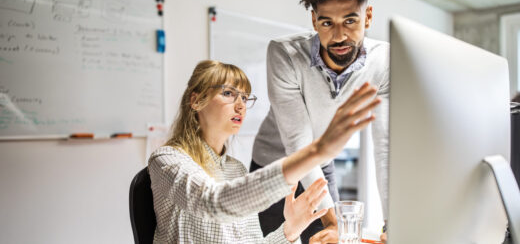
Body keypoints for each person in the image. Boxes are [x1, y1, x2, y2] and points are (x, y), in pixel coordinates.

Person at [148, 60, 380, 243]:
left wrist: (291, 229)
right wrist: (314, 152)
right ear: (196, 101)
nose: (240, 104)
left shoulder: (235, 168)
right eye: (228, 93)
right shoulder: (167, 160)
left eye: (244, 97)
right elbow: (212, 202)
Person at [251, 0, 388, 243]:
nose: (338, 36)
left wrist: (392, 222)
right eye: (327, 23)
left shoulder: (382, 61)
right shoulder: (285, 54)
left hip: (321, 166)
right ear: (314, 20)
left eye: (350, 21)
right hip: (275, 170)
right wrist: (333, 219)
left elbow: (385, 146)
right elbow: (298, 145)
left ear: (368, 16)